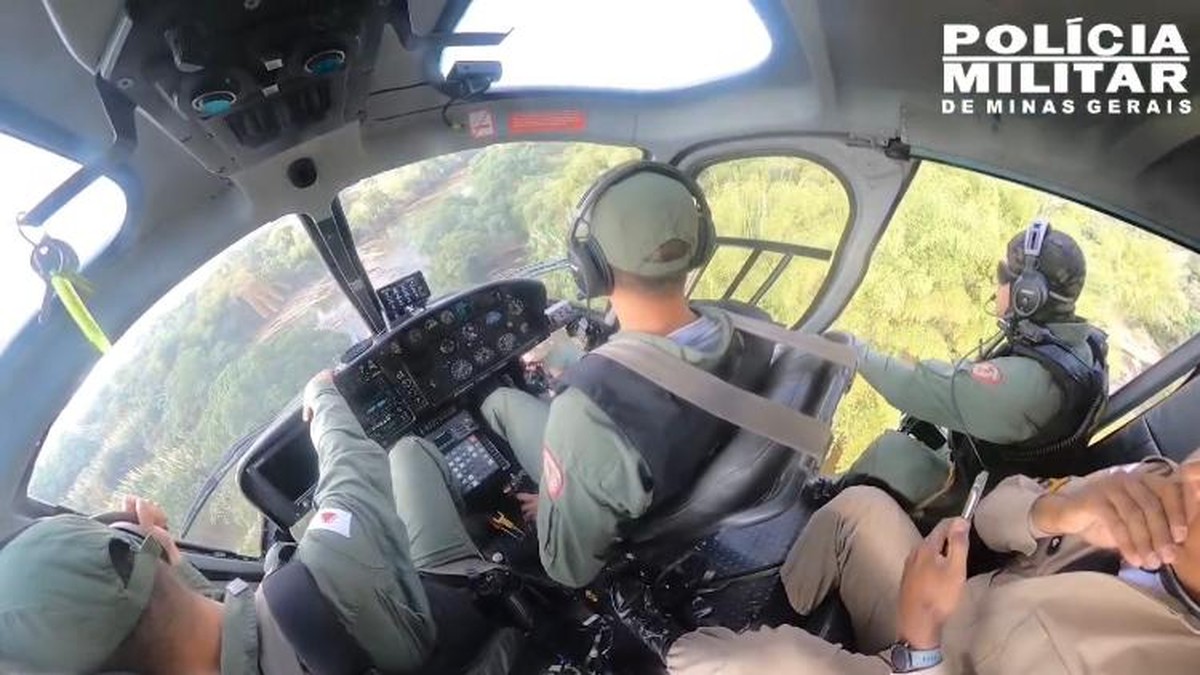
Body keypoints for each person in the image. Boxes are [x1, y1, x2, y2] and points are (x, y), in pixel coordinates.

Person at [387, 160, 774, 589]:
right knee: (499, 401)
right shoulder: (749, 327)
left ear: (591, 267)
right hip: (684, 474)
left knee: (446, 432)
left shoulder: (591, 407)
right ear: (702, 243)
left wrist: (556, 508)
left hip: (637, 534)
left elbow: (568, 569)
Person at [0, 370, 510, 674]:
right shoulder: (321, 583)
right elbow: (355, 466)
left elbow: (202, 628)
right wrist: (321, 396)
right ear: (139, 550)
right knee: (408, 454)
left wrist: (168, 557)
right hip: (478, 651)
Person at [668, 455, 1200, 674]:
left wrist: (921, 646)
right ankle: (782, 610)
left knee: (711, 657)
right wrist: (1056, 511)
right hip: (947, 608)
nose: (1191, 477)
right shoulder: (1147, 481)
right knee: (859, 508)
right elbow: (994, 516)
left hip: (929, 655)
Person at [834, 220, 1108, 511]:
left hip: (974, 507)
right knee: (920, 428)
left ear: (1027, 296)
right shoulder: (1082, 347)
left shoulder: (1027, 384)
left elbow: (915, 388)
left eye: (1004, 278)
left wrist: (853, 351)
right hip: (998, 475)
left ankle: (822, 512)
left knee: (891, 452)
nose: (997, 285)